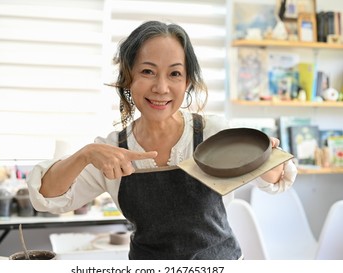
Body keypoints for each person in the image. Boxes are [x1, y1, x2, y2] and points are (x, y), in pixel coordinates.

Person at [27, 20, 297, 260]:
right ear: (127, 78)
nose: (161, 87)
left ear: (187, 81)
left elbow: (272, 180)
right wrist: (85, 154)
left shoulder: (213, 133)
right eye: (147, 71)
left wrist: (270, 162)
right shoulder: (112, 150)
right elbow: (48, 197)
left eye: (175, 74)